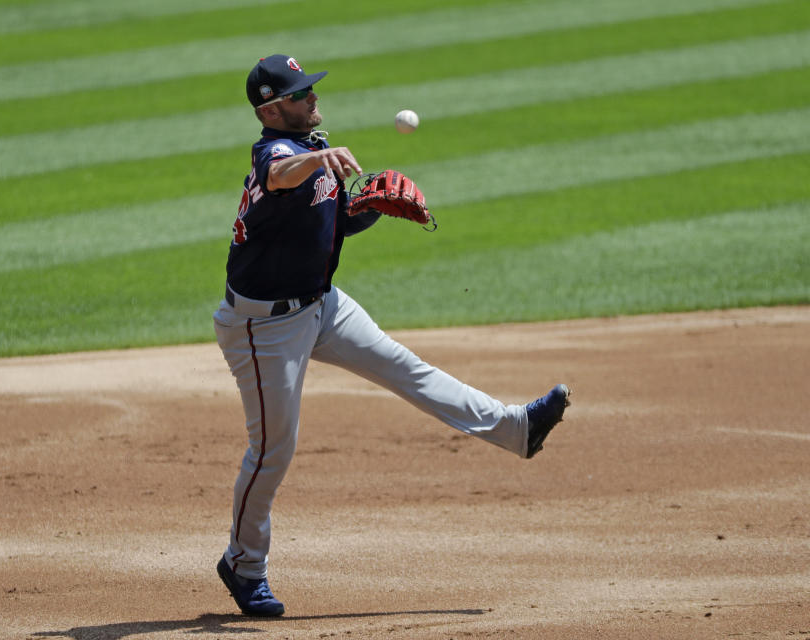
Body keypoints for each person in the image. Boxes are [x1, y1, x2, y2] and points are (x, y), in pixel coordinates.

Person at [213, 54, 571, 617]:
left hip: (322, 305)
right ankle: (243, 564)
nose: (312, 98)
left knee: (407, 367)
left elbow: (332, 224)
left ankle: (517, 429)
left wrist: (371, 205)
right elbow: (278, 174)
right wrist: (321, 161)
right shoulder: (278, 154)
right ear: (272, 108)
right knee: (273, 450)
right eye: (300, 93)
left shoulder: (313, 148)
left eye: (310, 89)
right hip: (264, 328)